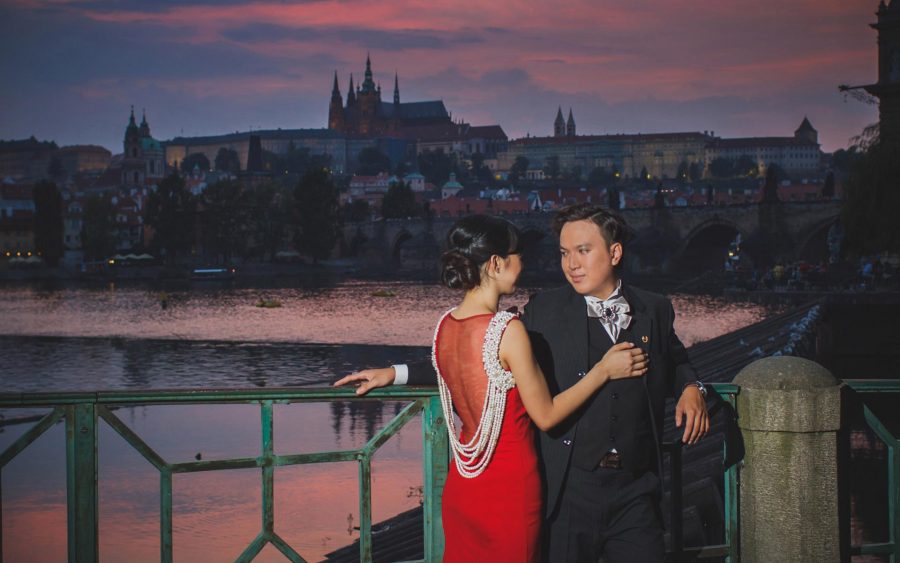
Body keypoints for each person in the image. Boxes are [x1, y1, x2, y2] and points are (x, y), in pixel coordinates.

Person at [336, 204, 710, 562]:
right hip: (567, 493)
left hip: (636, 494)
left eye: (582, 250)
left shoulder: (655, 308)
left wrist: (693, 388)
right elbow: (480, 354)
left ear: (614, 253)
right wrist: (396, 373)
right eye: (564, 252)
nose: (571, 264)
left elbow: (676, 358)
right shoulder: (544, 310)